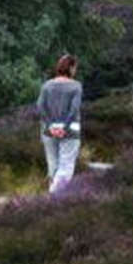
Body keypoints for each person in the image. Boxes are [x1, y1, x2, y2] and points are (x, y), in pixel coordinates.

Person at [37, 54, 83, 193]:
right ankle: (54, 197)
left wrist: (51, 126)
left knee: (53, 165)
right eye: (75, 68)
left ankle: (52, 198)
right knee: (66, 166)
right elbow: (74, 110)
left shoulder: (46, 85)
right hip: (70, 131)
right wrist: (64, 127)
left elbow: (40, 107)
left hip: (48, 131)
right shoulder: (76, 86)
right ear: (71, 68)